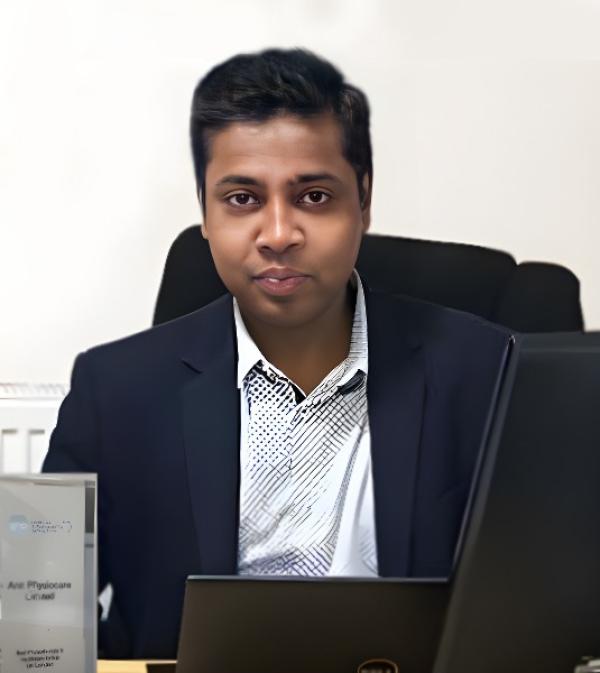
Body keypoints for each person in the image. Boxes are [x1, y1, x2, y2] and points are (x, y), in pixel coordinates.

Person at [43, 48, 510, 658]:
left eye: (314, 197)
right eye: (242, 199)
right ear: (204, 212)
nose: (279, 234)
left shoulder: (486, 371)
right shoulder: (116, 389)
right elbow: (43, 617)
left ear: (364, 199)